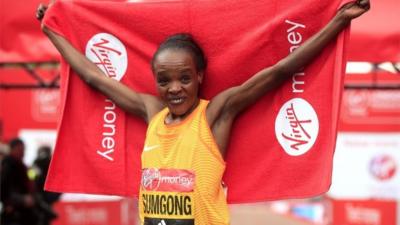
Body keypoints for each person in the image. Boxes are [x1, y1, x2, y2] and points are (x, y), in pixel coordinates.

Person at [36, 1, 370, 224]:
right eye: (164, 80)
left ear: (199, 77)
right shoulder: (151, 111)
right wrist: (53, 30)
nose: (174, 88)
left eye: (184, 78)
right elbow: (93, 76)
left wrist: (338, 20)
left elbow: (280, 71)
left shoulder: (215, 115)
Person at [1, 138, 38, 225]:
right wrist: (11, 202)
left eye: (23, 150)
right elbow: (3, 186)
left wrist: (33, 173)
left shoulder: (23, 165)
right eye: (20, 149)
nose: (22, 153)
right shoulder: (8, 164)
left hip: (24, 209)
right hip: (14, 210)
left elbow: (32, 178)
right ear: (12, 149)